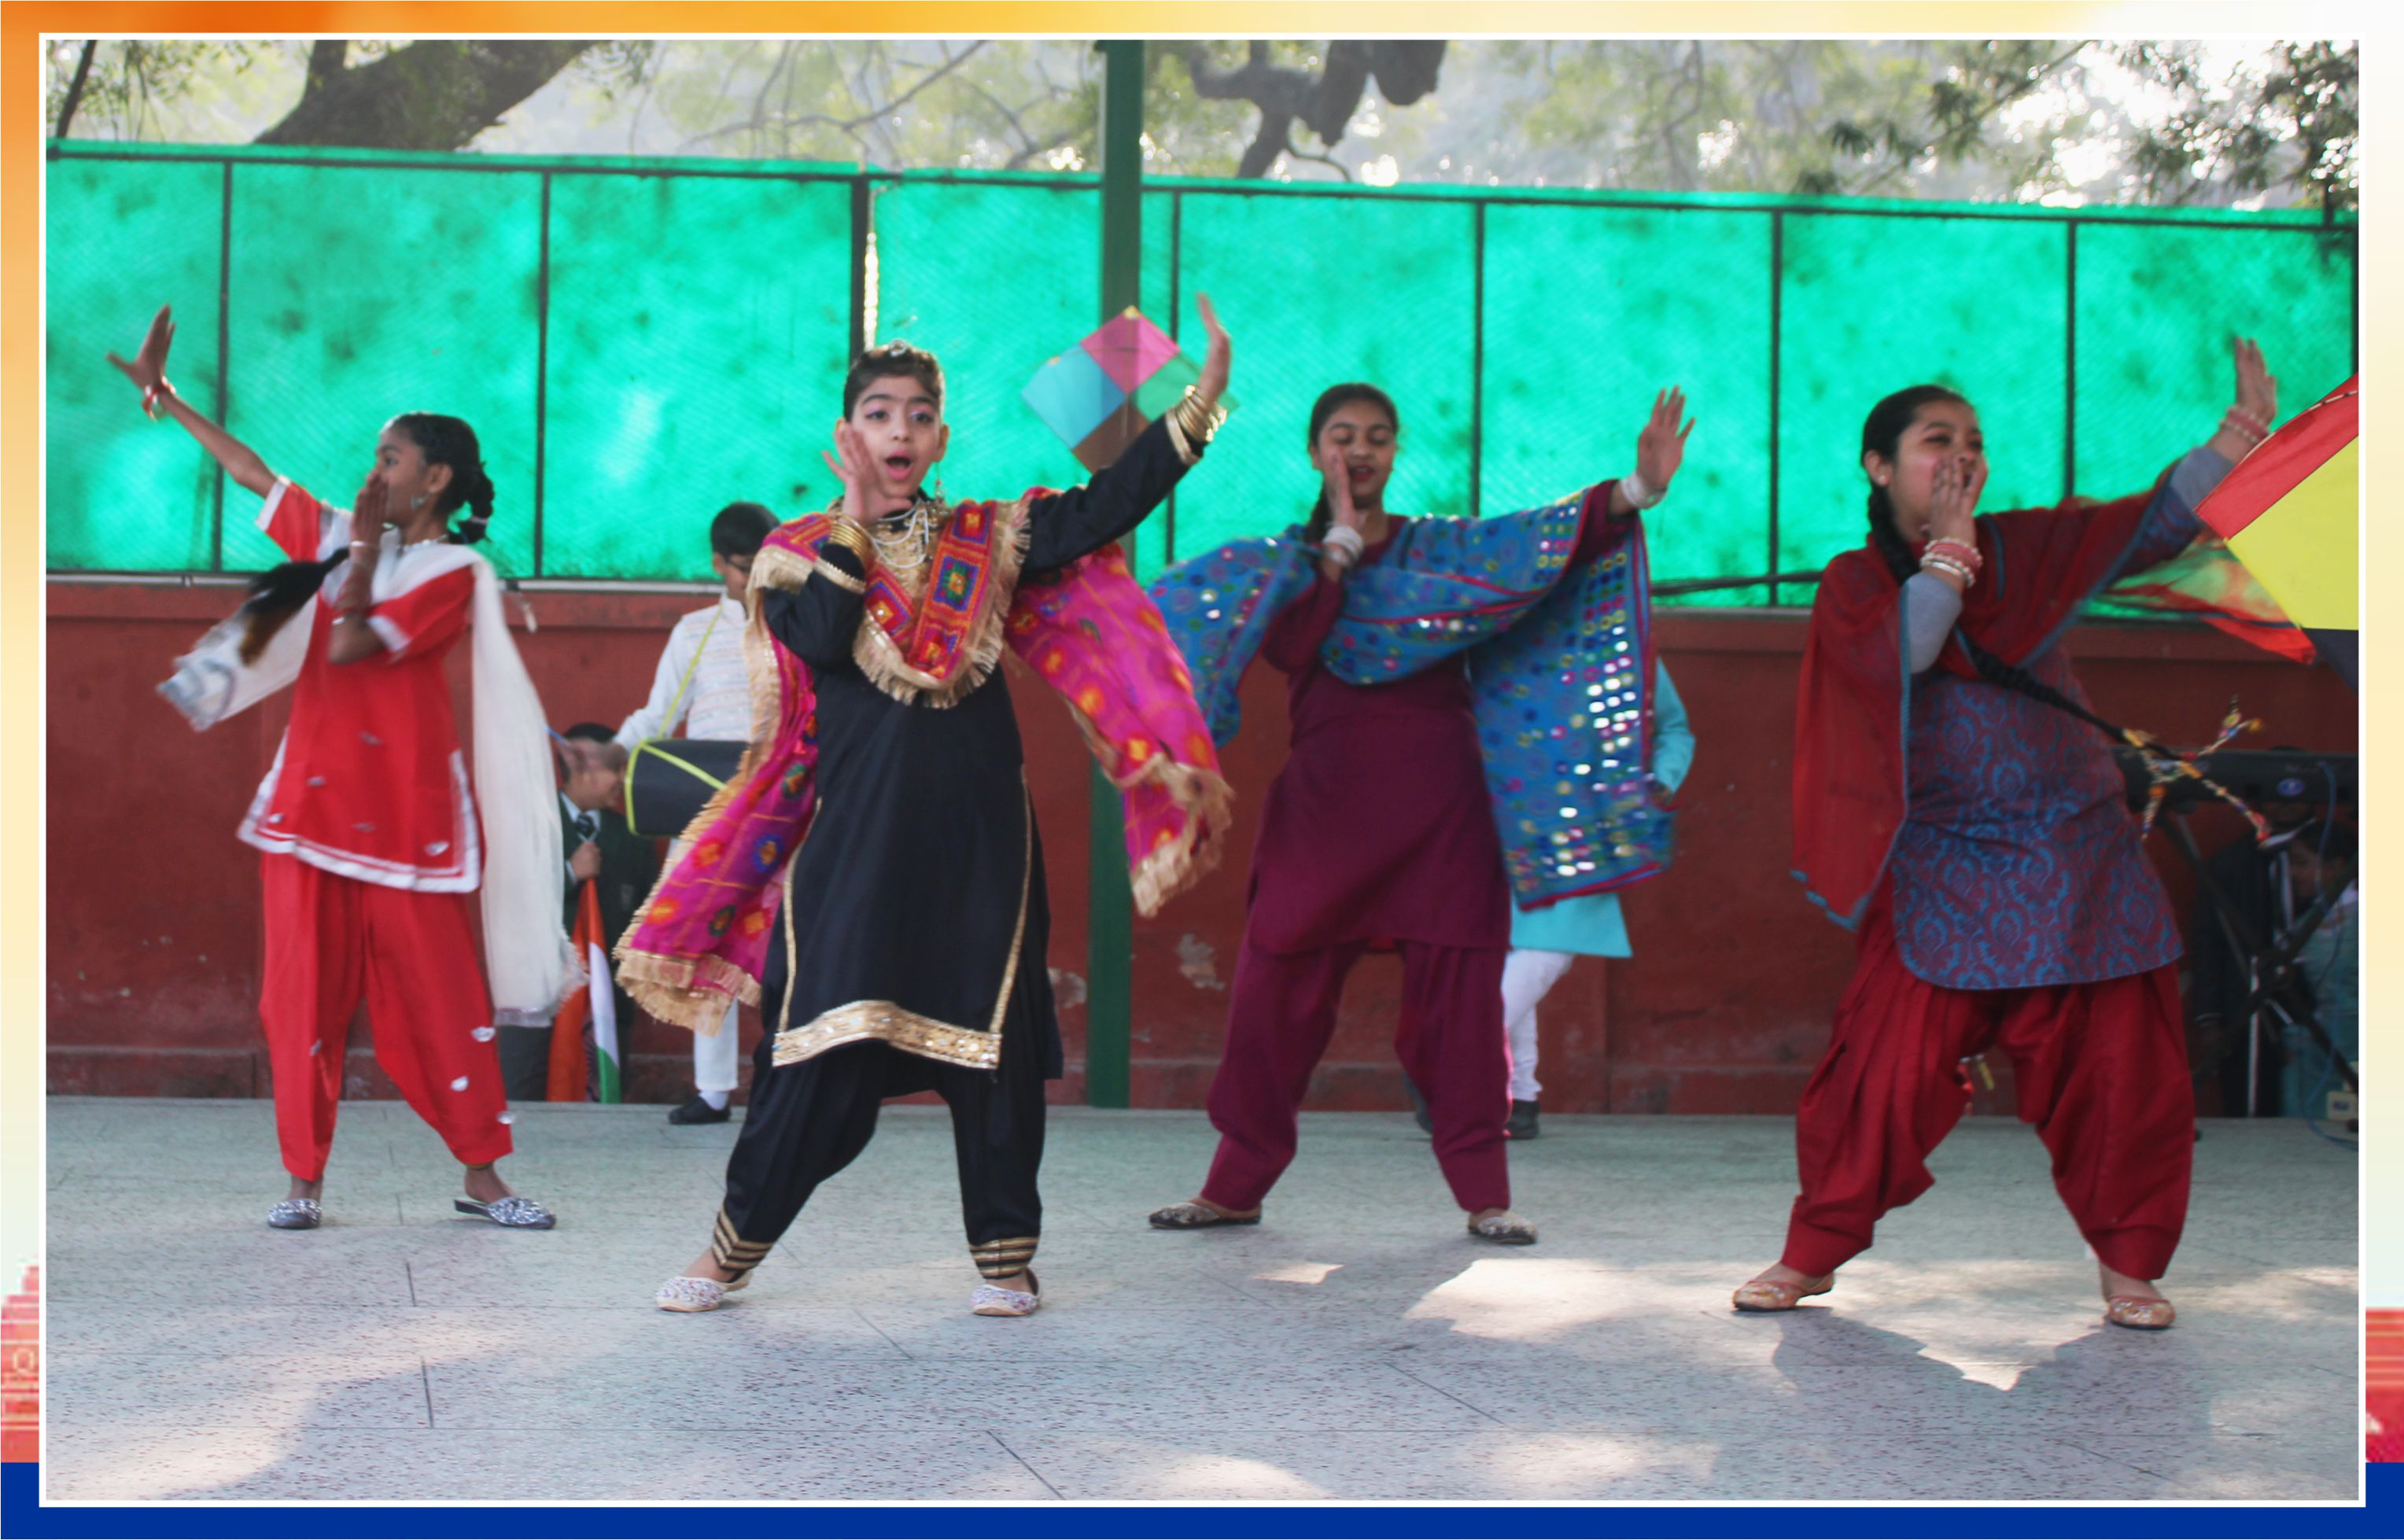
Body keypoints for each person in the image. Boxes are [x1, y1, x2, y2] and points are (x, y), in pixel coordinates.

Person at [618, 303, 1236, 1317]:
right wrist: (856, 523)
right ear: (846, 433)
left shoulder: (989, 538)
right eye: (878, 413)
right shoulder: (796, 551)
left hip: (980, 837)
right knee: (815, 1044)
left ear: (941, 437)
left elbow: (1103, 507)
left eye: (917, 415)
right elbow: (822, 639)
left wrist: (1197, 405)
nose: (898, 430)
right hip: (854, 842)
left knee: (988, 1045)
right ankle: (730, 1250)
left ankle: (1005, 1256)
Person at [1738, 338, 2285, 1329]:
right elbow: (1909, 650)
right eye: (1933, 439)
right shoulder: (1854, 583)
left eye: (1972, 441)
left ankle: (2128, 1269)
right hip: (1945, 867)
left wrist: (2235, 437)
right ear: (1877, 465)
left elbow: (2148, 524)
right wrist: (1948, 552)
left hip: (2079, 859)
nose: (1959, 455)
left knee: (2120, 1080)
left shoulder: (2026, 549)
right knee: (1880, 1077)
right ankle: (1810, 1253)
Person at [1145, 382, 1694, 1246]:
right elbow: (1292, 647)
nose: (1359, 450)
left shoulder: (1441, 550)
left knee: (1459, 1014)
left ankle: (1484, 1194)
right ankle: (1234, 1186)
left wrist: (1635, 490)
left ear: (1395, 451)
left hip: (1441, 813)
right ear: (1314, 451)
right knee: (1271, 1001)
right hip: (1325, 812)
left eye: (1377, 436)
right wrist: (1334, 547)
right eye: (1341, 436)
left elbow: (1537, 543)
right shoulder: (1287, 562)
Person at [128, 303, 574, 1231]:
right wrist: (169, 398)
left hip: (410, 821)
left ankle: (484, 1178)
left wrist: (362, 553)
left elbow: (351, 643)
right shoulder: (341, 536)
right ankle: (303, 1182)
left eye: (390, 459)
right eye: (374, 457)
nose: (373, 473)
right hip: (309, 810)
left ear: (436, 477)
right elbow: (255, 472)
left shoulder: (456, 574)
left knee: (440, 1001)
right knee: (299, 1000)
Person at [609, 502, 779, 1124]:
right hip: (706, 815)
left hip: (781, 809)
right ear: (718, 564)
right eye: (744, 567)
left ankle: (791, 1084)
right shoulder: (694, 632)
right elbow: (657, 715)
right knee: (704, 948)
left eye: (764, 564)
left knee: (791, 947)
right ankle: (713, 1092)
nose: (755, 578)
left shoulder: (798, 624)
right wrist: (611, 753)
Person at [1494, 661, 1696, 1139]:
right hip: (1500, 819)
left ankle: (1451, 1058)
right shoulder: (1498, 636)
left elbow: (1674, 729)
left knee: (1547, 949)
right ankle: (1520, 1098)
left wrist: (1659, 780)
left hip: (1588, 825)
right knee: (1511, 954)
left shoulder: (1625, 644)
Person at [493, 724, 653, 1101]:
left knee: (599, 1102)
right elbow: (508, 897)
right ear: (581, 766)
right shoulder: (528, 826)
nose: (624, 779)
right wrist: (568, 873)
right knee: (521, 1097)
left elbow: (646, 916)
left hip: (605, 1005)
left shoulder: (633, 838)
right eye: (616, 768)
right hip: (534, 993)